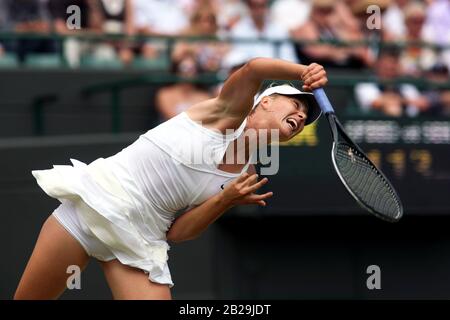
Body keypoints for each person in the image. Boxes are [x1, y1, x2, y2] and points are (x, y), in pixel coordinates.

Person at [14, 57, 327, 300]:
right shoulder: (226, 112)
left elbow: (179, 233)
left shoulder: (248, 175)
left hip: (140, 241)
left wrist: (224, 199)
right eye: (296, 105)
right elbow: (255, 68)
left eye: (303, 120)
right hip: (95, 201)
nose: (300, 118)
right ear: (265, 102)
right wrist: (304, 72)